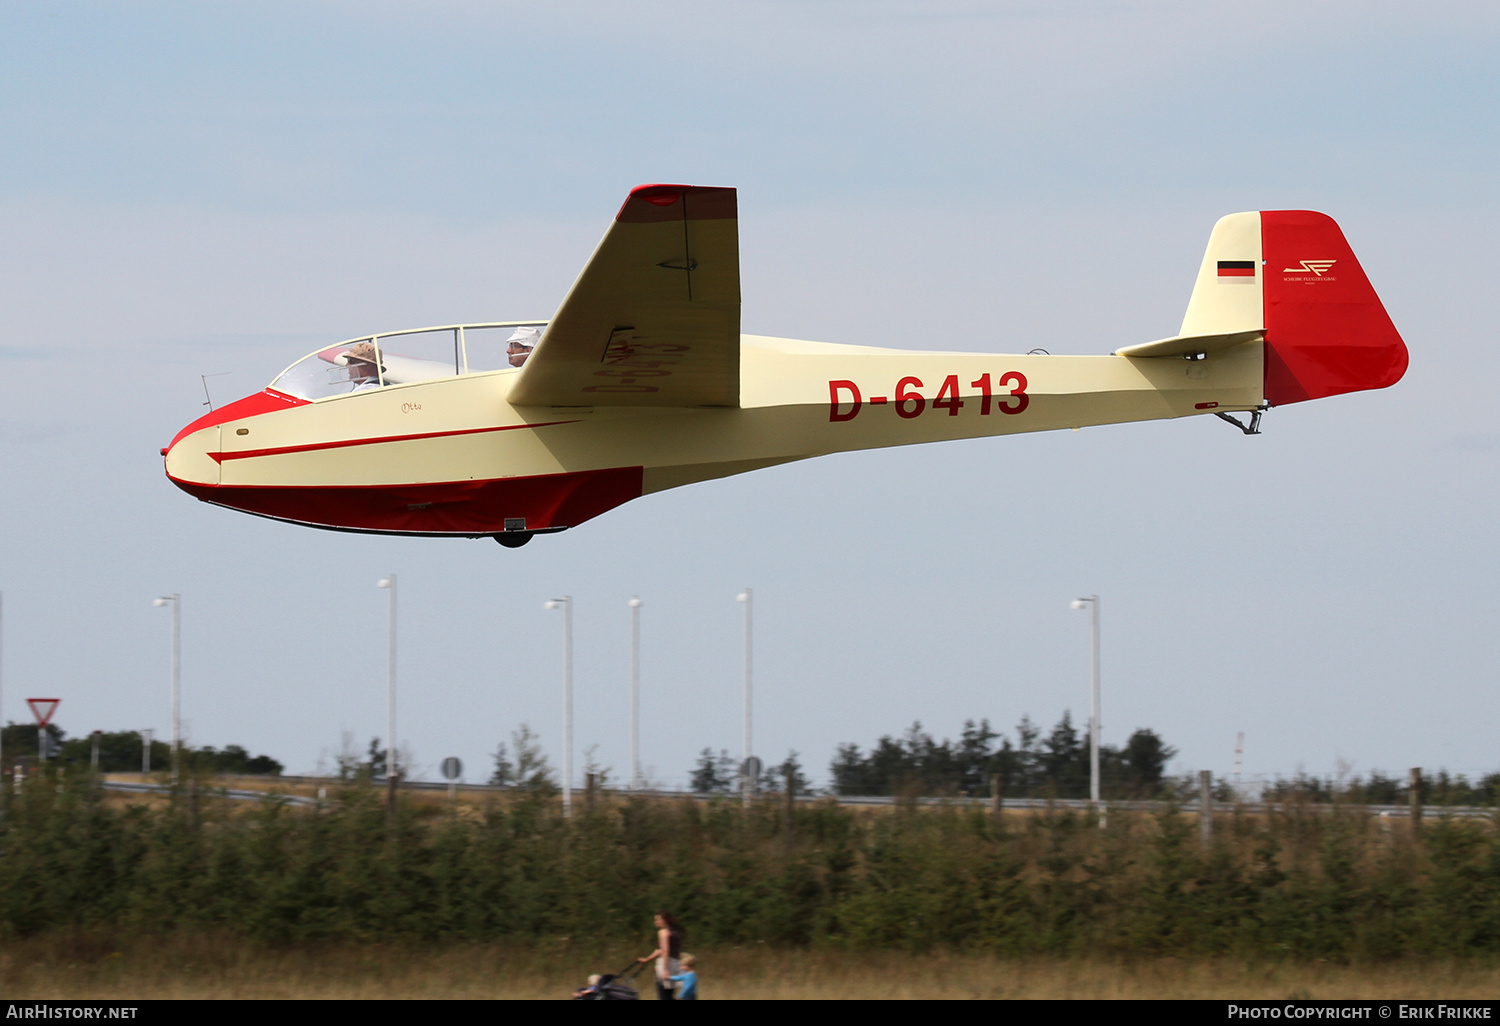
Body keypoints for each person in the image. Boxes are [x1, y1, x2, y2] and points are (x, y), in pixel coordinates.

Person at [637, 910, 683, 1000]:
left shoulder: (663, 932)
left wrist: (665, 970)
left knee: (663, 996)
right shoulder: (676, 932)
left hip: (665, 964)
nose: (655, 922)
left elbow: (665, 951)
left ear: (664, 920)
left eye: (657, 920)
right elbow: (662, 950)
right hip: (675, 964)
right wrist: (647, 959)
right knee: (669, 995)